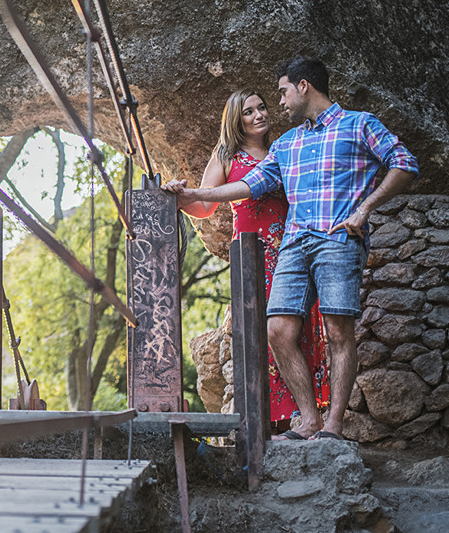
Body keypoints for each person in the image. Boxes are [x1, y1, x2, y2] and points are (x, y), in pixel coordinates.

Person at [164, 56, 418, 441]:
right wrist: (194, 195)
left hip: (337, 240)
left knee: (337, 331)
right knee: (279, 331)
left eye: (282, 93)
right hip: (294, 246)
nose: (278, 103)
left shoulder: (359, 124)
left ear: (303, 86)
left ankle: (332, 426)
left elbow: (404, 163)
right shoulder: (287, 142)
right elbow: (250, 184)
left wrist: (365, 208)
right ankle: (309, 419)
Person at [166, 88, 329, 435]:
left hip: (291, 251)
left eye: (262, 107)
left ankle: (304, 418)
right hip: (252, 257)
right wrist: (179, 197)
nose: (259, 115)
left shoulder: (283, 150)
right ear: (235, 121)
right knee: (259, 333)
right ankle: (266, 423)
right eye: (249, 112)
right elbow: (204, 206)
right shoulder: (226, 155)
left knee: (295, 331)